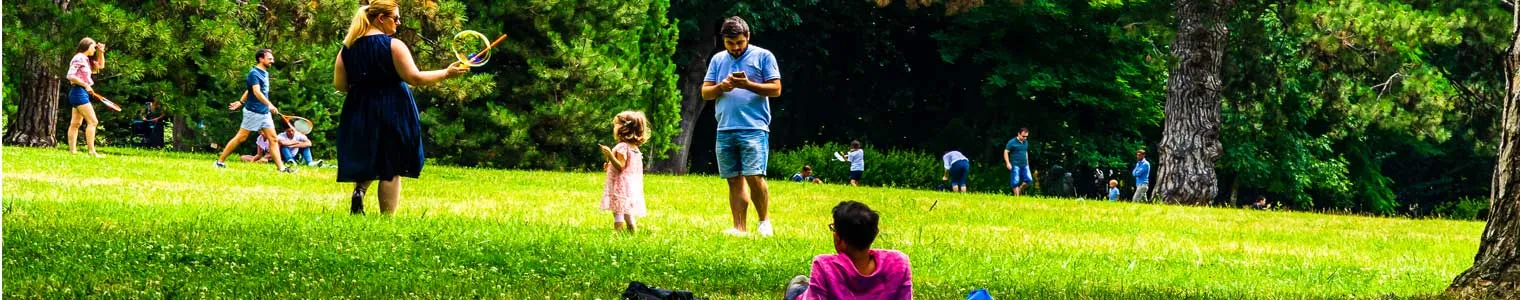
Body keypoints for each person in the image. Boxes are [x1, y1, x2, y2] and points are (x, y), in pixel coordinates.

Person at [333, 0, 470, 215]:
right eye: (395, 18)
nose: (398, 23)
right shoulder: (393, 45)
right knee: (392, 162)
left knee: (369, 153)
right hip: (392, 106)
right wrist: (446, 73)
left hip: (359, 106)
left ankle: (359, 190)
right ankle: (387, 218)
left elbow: (340, 85)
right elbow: (414, 78)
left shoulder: (347, 48)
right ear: (381, 19)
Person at [701, 16, 783, 237]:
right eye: (730, 43)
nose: (736, 48)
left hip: (754, 127)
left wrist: (748, 84)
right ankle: (739, 227)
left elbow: (775, 89)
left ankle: (764, 222)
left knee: (754, 176)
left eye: (739, 43)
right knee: (733, 179)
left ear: (748, 37)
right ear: (723, 41)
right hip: (725, 127)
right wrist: (721, 86)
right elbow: (705, 92)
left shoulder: (764, 56)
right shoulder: (718, 60)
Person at [783, 201, 913, 300]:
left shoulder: (824, 265)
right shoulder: (898, 263)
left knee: (798, 288)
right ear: (874, 234)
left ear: (839, 239)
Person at [214, 48, 294, 173]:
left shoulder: (265, 73)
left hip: (264, 113)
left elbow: (249, 90)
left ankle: (281, 168)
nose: (272, 61)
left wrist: (241, 102)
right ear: (261, 59)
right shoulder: (254, 73)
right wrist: (270, 105)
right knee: (241, 138)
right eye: (270, 59)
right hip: (253, 112)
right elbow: (256, 92)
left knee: (273, 139)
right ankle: (219, 162)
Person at [600, 111, 651, 233]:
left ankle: (617, 234)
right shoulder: (634, 148)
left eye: (616, 125)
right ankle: (633, 233)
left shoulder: (622, 146)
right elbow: (628, 167)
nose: (614, 127)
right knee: (628, 213)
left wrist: (610, 155)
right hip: (630, 186)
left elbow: (621, 167)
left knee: (618, 211)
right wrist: (609, 166)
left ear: (624, 128)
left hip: (620, 186)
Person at [65, 37, 108, 157]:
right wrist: (85, 85)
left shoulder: (86, 59)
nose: (94, 49)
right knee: (93, 121)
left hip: (79, 92)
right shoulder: (79, 57)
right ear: (87, 46)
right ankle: (92, 152)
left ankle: (73, 152)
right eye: (93, 47)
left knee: (75, 123)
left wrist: (101, 52)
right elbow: (70, 75)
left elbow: (100, 66)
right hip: (79, 91)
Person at [1003, 128, 1033, 196]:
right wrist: (1008, 163)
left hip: (1025, 165)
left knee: (1029, 179)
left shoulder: (1026, 142)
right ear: (1019, 134)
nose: (1025, 138)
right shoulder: (1012, 142)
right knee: (1015, 182)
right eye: (1023, 136)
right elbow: (1006, 152)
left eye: (1026, 136)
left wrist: (1027, 163)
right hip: (1015, 164)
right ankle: (1017, 198)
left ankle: (1020, 189)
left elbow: (1025, 152)